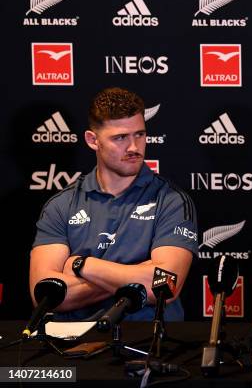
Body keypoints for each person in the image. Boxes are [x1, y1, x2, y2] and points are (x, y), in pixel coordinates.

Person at [29, 87, 198, 321]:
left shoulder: (172, 201)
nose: (133, 147)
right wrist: (137, 272)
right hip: (72, 345)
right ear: (92, 140)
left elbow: (164, 286)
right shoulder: (61, 204)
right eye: (120, 138)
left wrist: (81, 265)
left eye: (139, 134)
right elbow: (45, 295)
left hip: (147, 344)